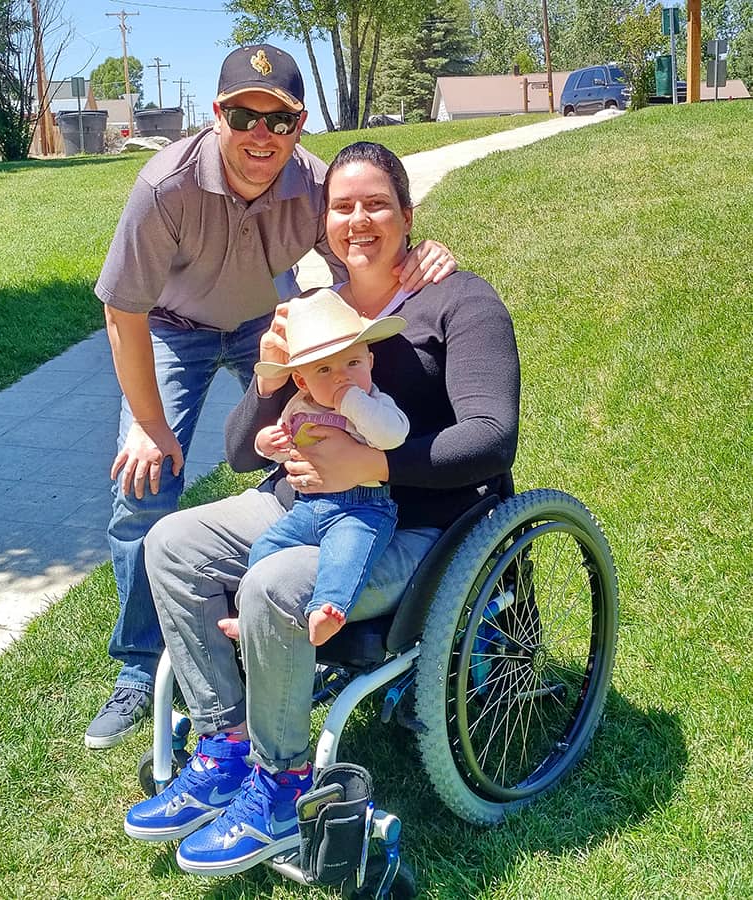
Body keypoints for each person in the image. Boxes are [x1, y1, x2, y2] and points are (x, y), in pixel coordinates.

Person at [122, 141, 520, 878]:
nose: (358, 220)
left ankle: (281, 785)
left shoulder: (459, 300)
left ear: (407, 214)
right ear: (323, 222)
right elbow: (243, 452)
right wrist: (273, 371)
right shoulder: (312, 312)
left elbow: (493, 439)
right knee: (172, 542)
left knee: (276, 586)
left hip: (409, 522)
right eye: (342, 206)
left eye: (376, 204)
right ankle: (225, 743)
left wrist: (373, 462)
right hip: (299, 503)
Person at [87, 43, 456, 749]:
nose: (261, 134)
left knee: (292, 445)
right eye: (242, 114)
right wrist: (146, 421)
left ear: (298, 124)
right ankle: (138, 670)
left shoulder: (313, 182)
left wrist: (427, 250)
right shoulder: (163, 188)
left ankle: (277, 580)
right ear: (216, 115)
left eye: (278, 120)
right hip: (175, 327)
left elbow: (365, 227)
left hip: (270, 319)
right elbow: (122, 313)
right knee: (144, 485)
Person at [217, 287, 409, 647]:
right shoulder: (300, 406)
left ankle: (328, 610)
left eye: (352, 363)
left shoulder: (374, 402)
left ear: (370, 362)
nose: (342, 377)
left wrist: (352, 401)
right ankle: (248, 617)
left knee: (347, 554)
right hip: (307, 507)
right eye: (325, 369)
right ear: (302, 381)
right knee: (265, 547)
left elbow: (392, 436)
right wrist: (267, 444)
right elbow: (288, 450)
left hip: (363, 507)